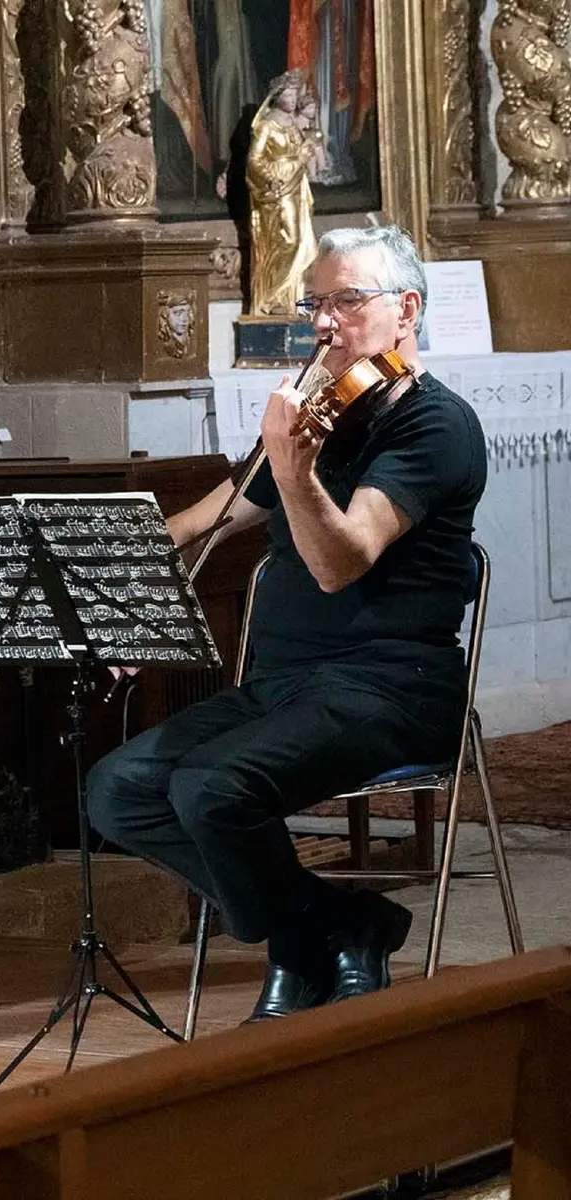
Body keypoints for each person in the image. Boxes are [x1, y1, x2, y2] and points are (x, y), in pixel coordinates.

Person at [87, 225, 487, 1023]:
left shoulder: (434, 426)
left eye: (346, 301)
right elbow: (204, 521)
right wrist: (102, 576)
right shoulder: (321, 411)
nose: (324, 321)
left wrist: (295, 469)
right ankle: (334, 926)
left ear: (405, 310)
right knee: (117, 791)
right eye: (315, 304)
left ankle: (298, 943)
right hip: (285, 686)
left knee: (213, 788)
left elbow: (342, 560)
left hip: (393, 689)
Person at [246, 69, 318, 316]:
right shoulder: (268, 125)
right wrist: (277, 173)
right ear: (277, 97)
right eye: (287, 94)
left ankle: (290, 300)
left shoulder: (294, 124)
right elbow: (255, 160)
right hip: (277, 192)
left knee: (300, 241)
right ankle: (273, 297)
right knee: (287, 241)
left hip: (296, 187)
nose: (292, 99)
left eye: (294, 94)